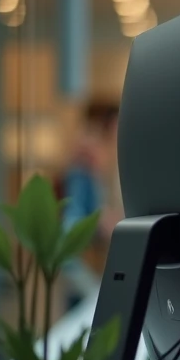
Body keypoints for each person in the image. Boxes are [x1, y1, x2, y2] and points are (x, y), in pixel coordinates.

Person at [60, 100, 123, 309]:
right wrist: (102, 220)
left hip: (90, 269)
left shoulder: (100, 170)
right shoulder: (83, 170)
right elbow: (72, 224)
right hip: (81, 270)